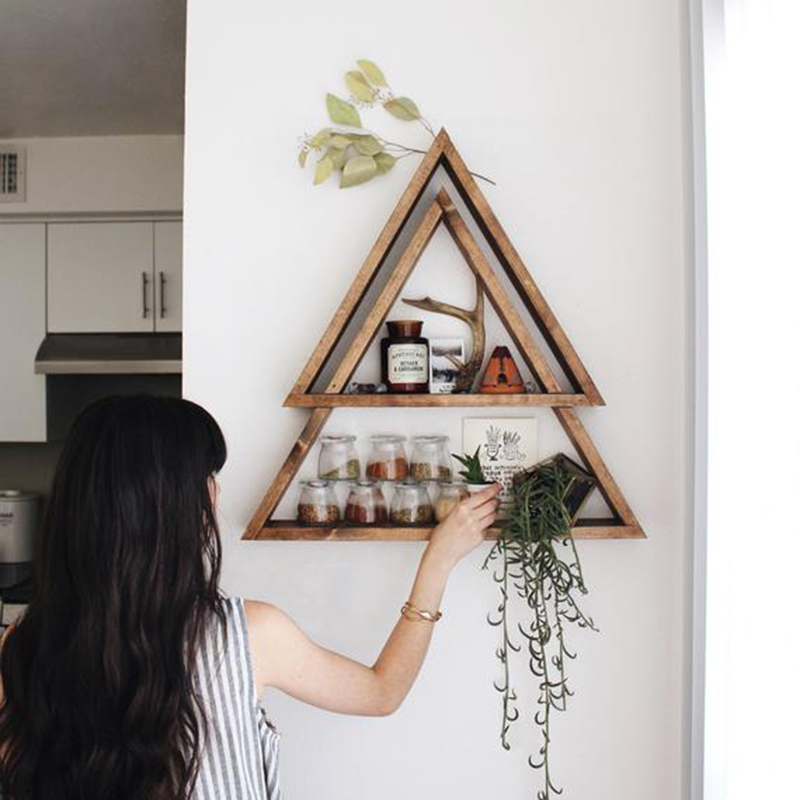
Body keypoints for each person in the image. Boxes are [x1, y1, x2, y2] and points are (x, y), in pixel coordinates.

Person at [0, 395, 499, 800]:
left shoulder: (20, 646)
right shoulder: (244, 635)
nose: (214, 494)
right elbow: (381, 692)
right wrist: (438, 562)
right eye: (206, 480)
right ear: (172, 508)